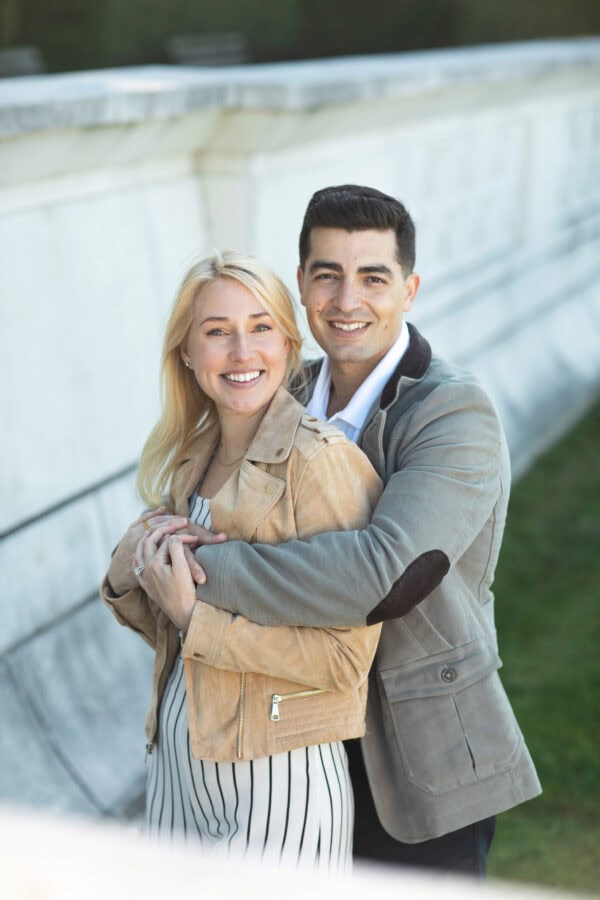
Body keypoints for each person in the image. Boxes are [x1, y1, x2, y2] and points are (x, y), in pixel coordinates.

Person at [180, 186, 542, 876]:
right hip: (291, 748)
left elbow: (386, 577)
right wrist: (152, 542)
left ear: (408, 290)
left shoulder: (452, 412)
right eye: (328, 275)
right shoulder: (277, 392)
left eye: (373, 277)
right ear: (302, 286)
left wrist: (202, 574)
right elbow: (198, 493)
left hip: (417, 758)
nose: (348, 301)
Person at [101, 249, 382, 871]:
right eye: (217, 332)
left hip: (278, 782)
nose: (241, 351)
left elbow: (345, 659)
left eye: (260, 328)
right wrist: (128, 577)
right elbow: (179, 633)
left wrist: (198, 620)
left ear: (287, 342)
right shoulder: (190, 458)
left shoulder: (319, 462)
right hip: (176, 768)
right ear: (187, 353)